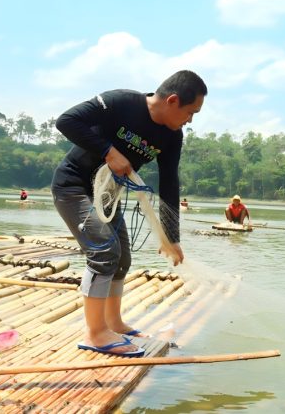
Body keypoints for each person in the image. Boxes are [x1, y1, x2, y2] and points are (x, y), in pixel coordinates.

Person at [51, 70, 207, 357]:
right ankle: (95, 333)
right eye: (190, 112)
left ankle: (114, 323)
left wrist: (170, 237)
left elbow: (169, 183)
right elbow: (66, 121)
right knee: (104, 251)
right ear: (172, 100)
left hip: (109, 195)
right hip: (73, 186)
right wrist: (109, 152)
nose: (190, 120)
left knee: (122, 257)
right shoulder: (120, 102)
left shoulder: (172, 136)